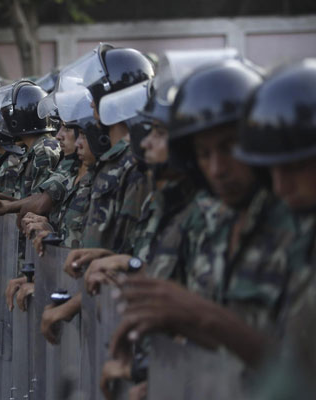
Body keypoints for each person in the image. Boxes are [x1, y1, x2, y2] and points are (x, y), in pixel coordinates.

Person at [108, 60, 299, 383]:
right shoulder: (219, 222)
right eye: (203, 153)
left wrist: (200, 315)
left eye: (229, 147)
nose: (217, 168)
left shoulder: (295, 229)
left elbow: (300, 367)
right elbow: (223, 346)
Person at [233, 59, 316, 399]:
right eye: (271, 171)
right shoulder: (299, 232)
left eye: (295, 167)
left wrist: (206, 320)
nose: (280, 187)